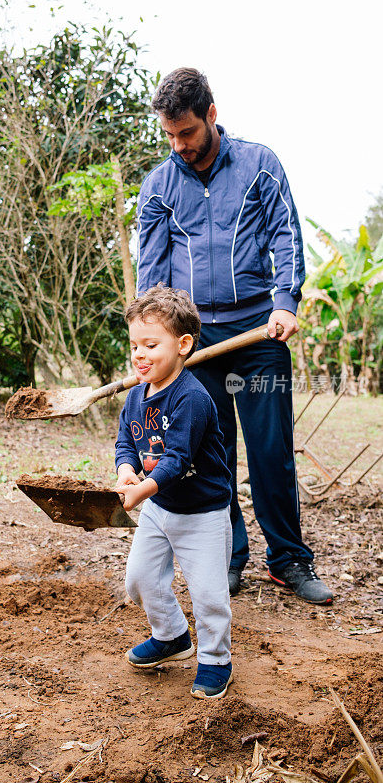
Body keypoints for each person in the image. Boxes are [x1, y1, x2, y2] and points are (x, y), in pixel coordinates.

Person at [136, 67, 333, 605]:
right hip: (193, 345)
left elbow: (286, 235)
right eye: (170, 135)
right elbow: (150, 271)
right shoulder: (158, 185)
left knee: (271, 450)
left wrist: (286, 301)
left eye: (188, 134)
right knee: (209, 452)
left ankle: (289, 559)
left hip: (257, 336)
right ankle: (228, 556)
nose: (179, 146)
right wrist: (153, 341)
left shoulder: (259, 165)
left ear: (211, 116)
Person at [115, 286, 233, 699]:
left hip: (202, 512)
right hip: (159, 506)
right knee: (141, 578)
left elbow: (176, 459)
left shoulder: (193, 398)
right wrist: (127, 470)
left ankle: (216, 658)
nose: (139, 355)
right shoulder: (134, 397)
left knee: (209, 593)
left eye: (151, 344)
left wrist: (140, 490)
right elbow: (126, 443)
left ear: (183, 345)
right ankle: (171, 638)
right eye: (134, 345)